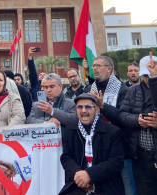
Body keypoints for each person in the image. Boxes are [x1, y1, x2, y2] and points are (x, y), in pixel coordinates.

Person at [84, 56, 133, 194]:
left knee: (128, 189)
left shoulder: (123, 90)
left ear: (109, 68)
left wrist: (102, 106)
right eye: (93, 66)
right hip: (97, 148)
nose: (94, 68)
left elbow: (123, 118)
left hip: (121, 149)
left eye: (98, 65)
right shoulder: (89, 89)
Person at [59, 93, 124, 195]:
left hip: (106, 185)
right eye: (80, 107)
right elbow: (66, 157)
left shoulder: (112, 131)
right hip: (77, 184)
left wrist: (90, 175)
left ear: (96, 109)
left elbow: (116, 162)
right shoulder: (70, 130)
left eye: (88, 107)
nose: (83, 111)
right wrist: (79, 175)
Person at [119, 54, 157, 194]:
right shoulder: (132, 91)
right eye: (146, 75)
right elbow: (122, 114)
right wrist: (137, 120)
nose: (148, 79)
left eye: (151, 75)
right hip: (141, 155)